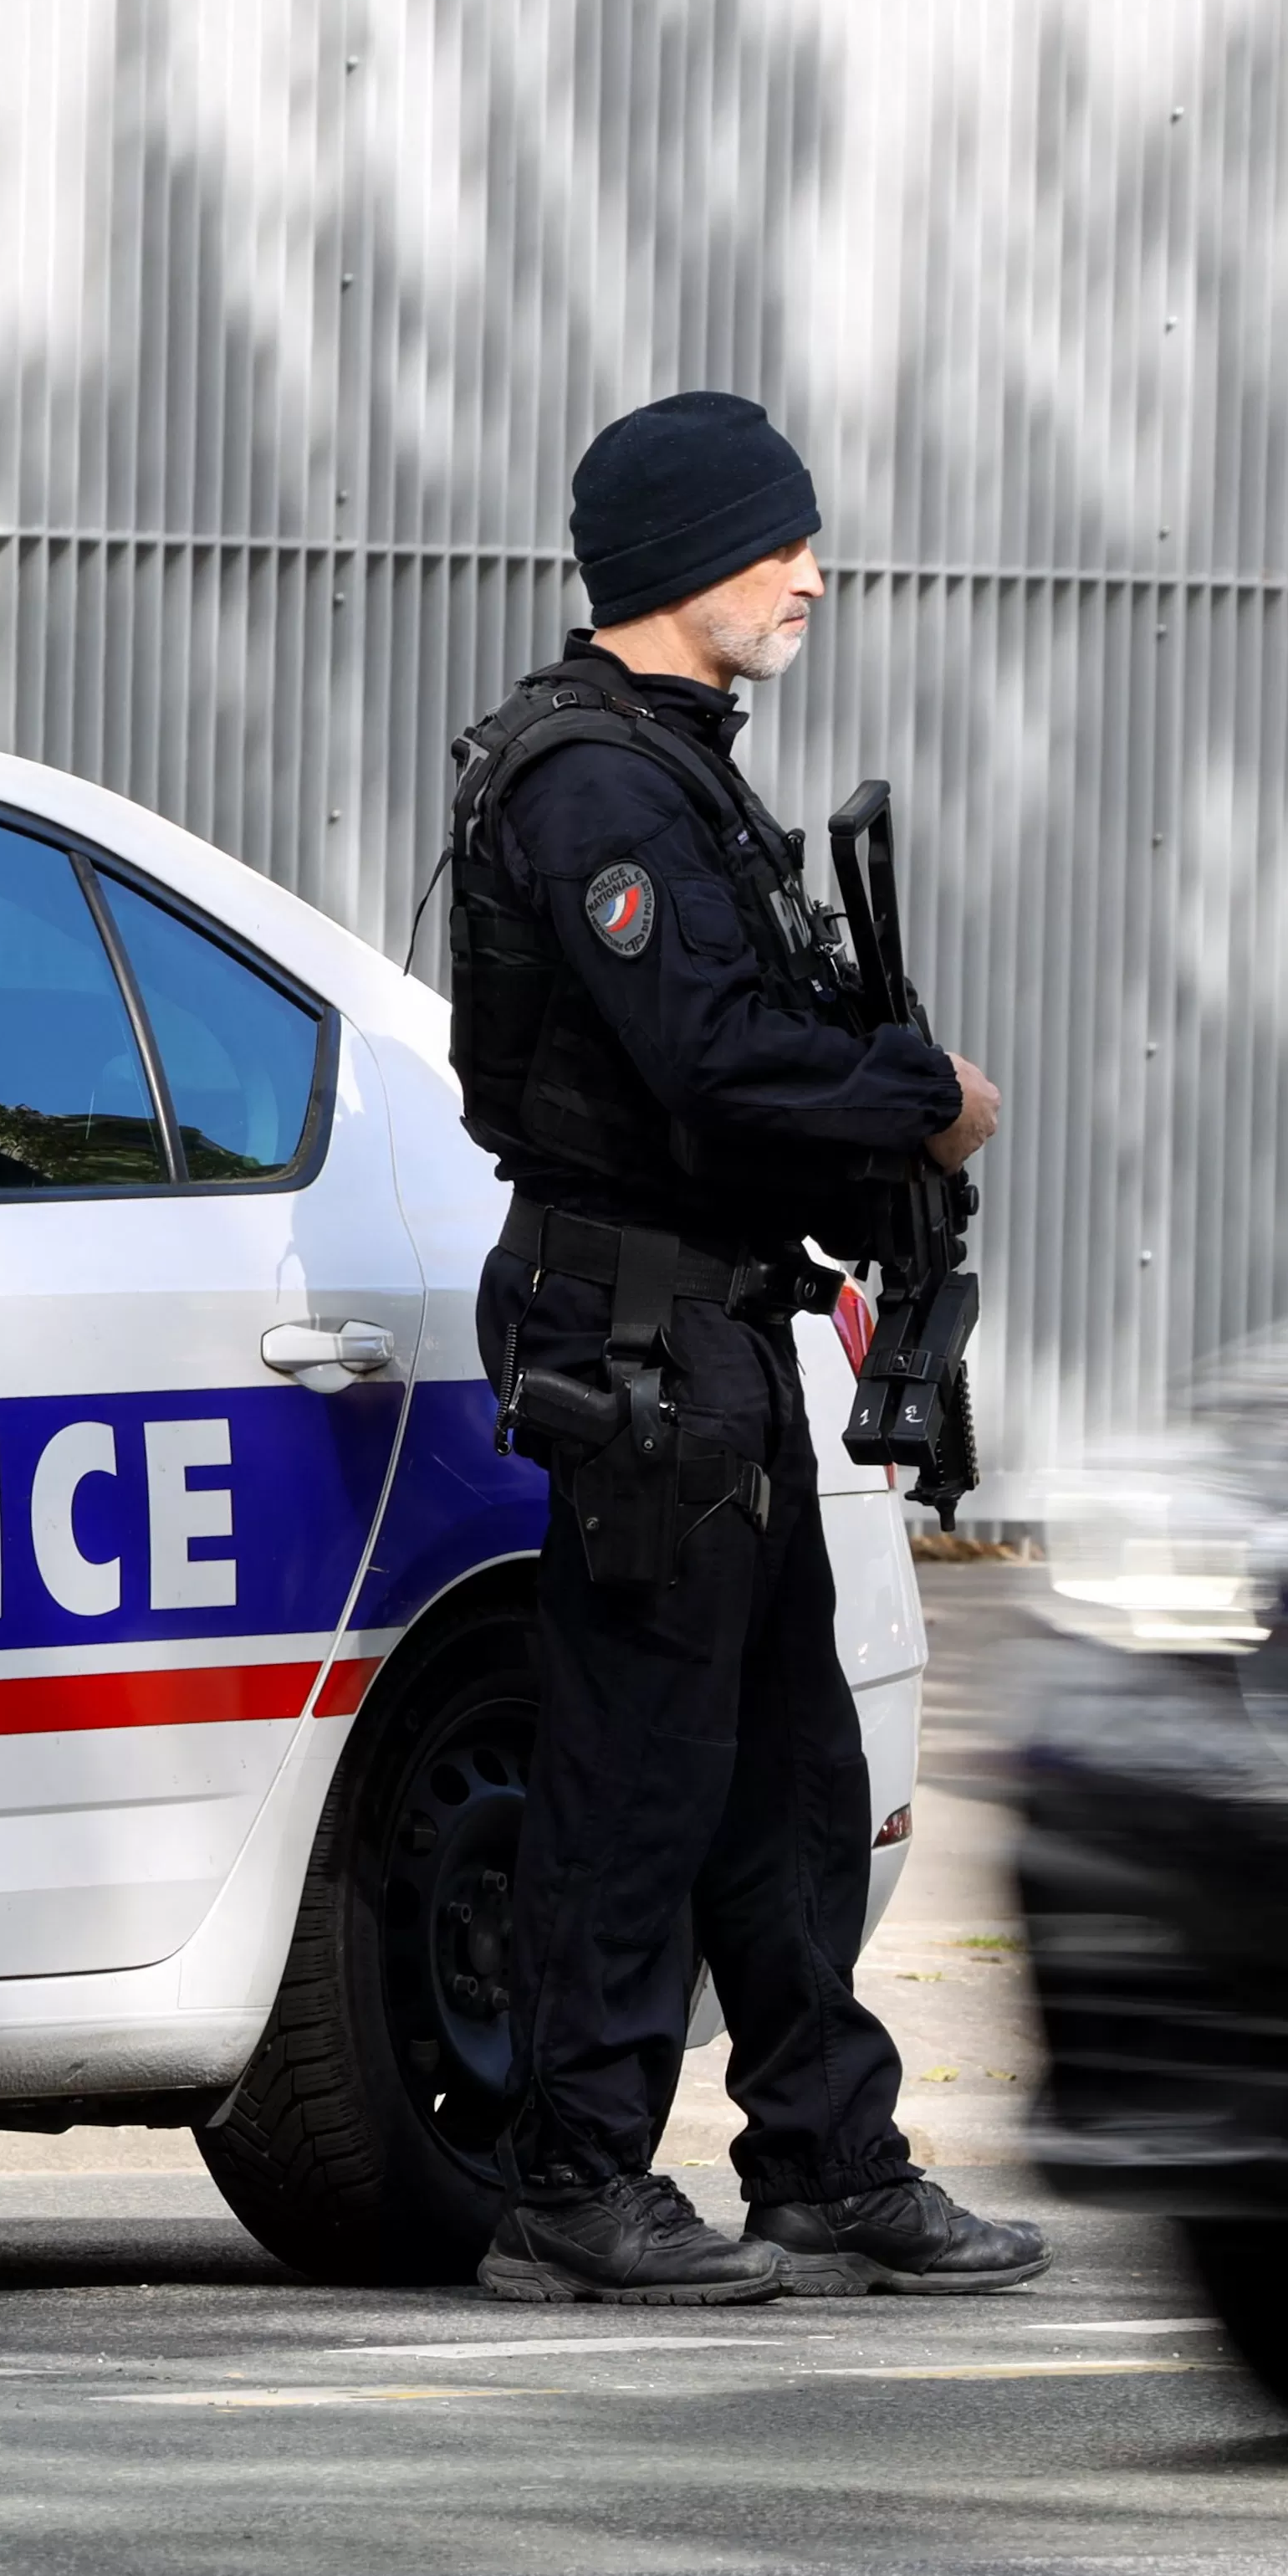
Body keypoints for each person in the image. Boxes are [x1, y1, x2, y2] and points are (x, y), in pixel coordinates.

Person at [445, 390, 1042, 2304]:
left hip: (703, 1328)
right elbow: (705, 1056)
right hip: (633, 1339)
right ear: (681, 557)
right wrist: (912, 1096)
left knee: (785, 1766)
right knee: (638, 1769)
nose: (807, 572)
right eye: (774, 542)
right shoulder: (595, 790)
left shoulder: (667, 763)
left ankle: (824, 2156)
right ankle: (572, 2179)